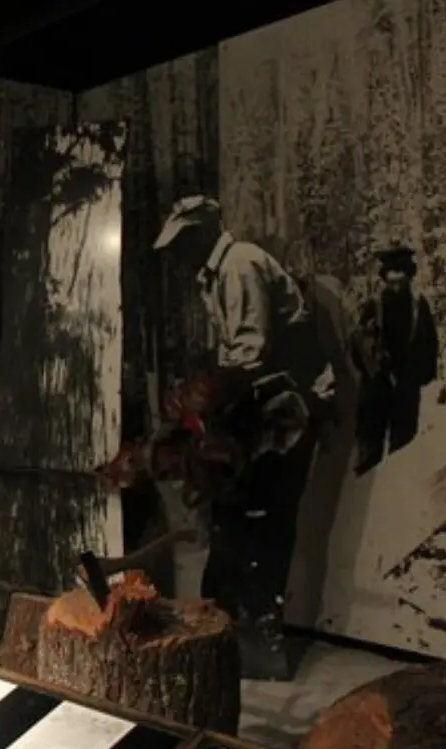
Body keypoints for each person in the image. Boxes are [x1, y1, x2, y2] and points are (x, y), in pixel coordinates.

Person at [153, 195, 333, 680]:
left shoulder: (239, 265)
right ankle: (225, 623)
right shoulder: (216, 274)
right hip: (263, 403)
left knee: (263, 518)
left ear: (202, 233)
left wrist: (200, 402)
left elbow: (249, 355)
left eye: (185, 242)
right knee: (234, 513)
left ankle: (257, 636)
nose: (180, 255)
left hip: (286, 405)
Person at [350, 246, 439, 475]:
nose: (396, 278)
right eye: (391, 272)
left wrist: (418, 376)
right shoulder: (374, 305)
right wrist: (373, 367)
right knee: (369, 453)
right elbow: (357, 346)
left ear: (410, 275)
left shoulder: (419, 307)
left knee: (404, 453)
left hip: (406, 388)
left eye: (401, 271)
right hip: (375, 389)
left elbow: (430, 344)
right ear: (384, 276)